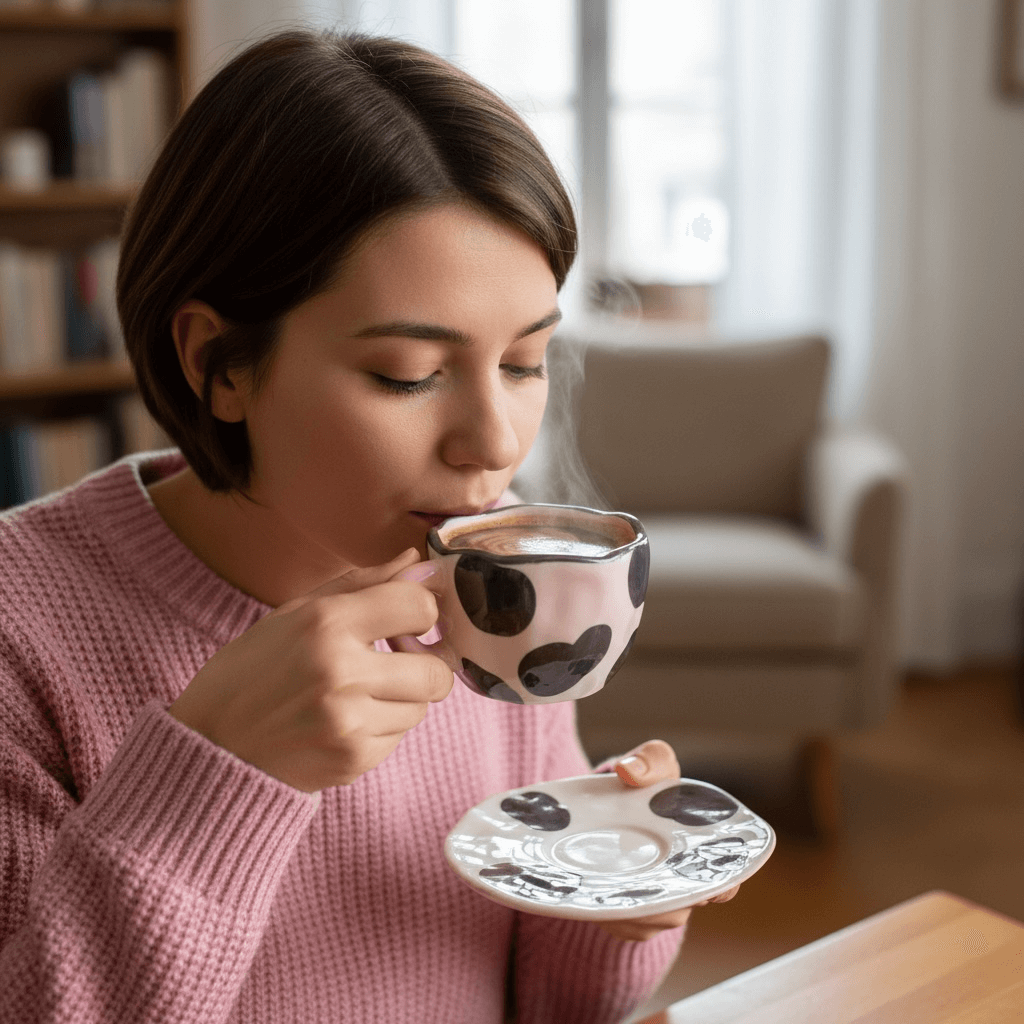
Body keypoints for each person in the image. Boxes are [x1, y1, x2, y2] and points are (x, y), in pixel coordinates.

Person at [0, 29, 736, 1023]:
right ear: (216, 364)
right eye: (408, 374)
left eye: (524, 363)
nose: (491, 444)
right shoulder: (21, 631)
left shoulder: (496, 580)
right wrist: (218, 773)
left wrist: (607, 895)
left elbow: (553, 1006)